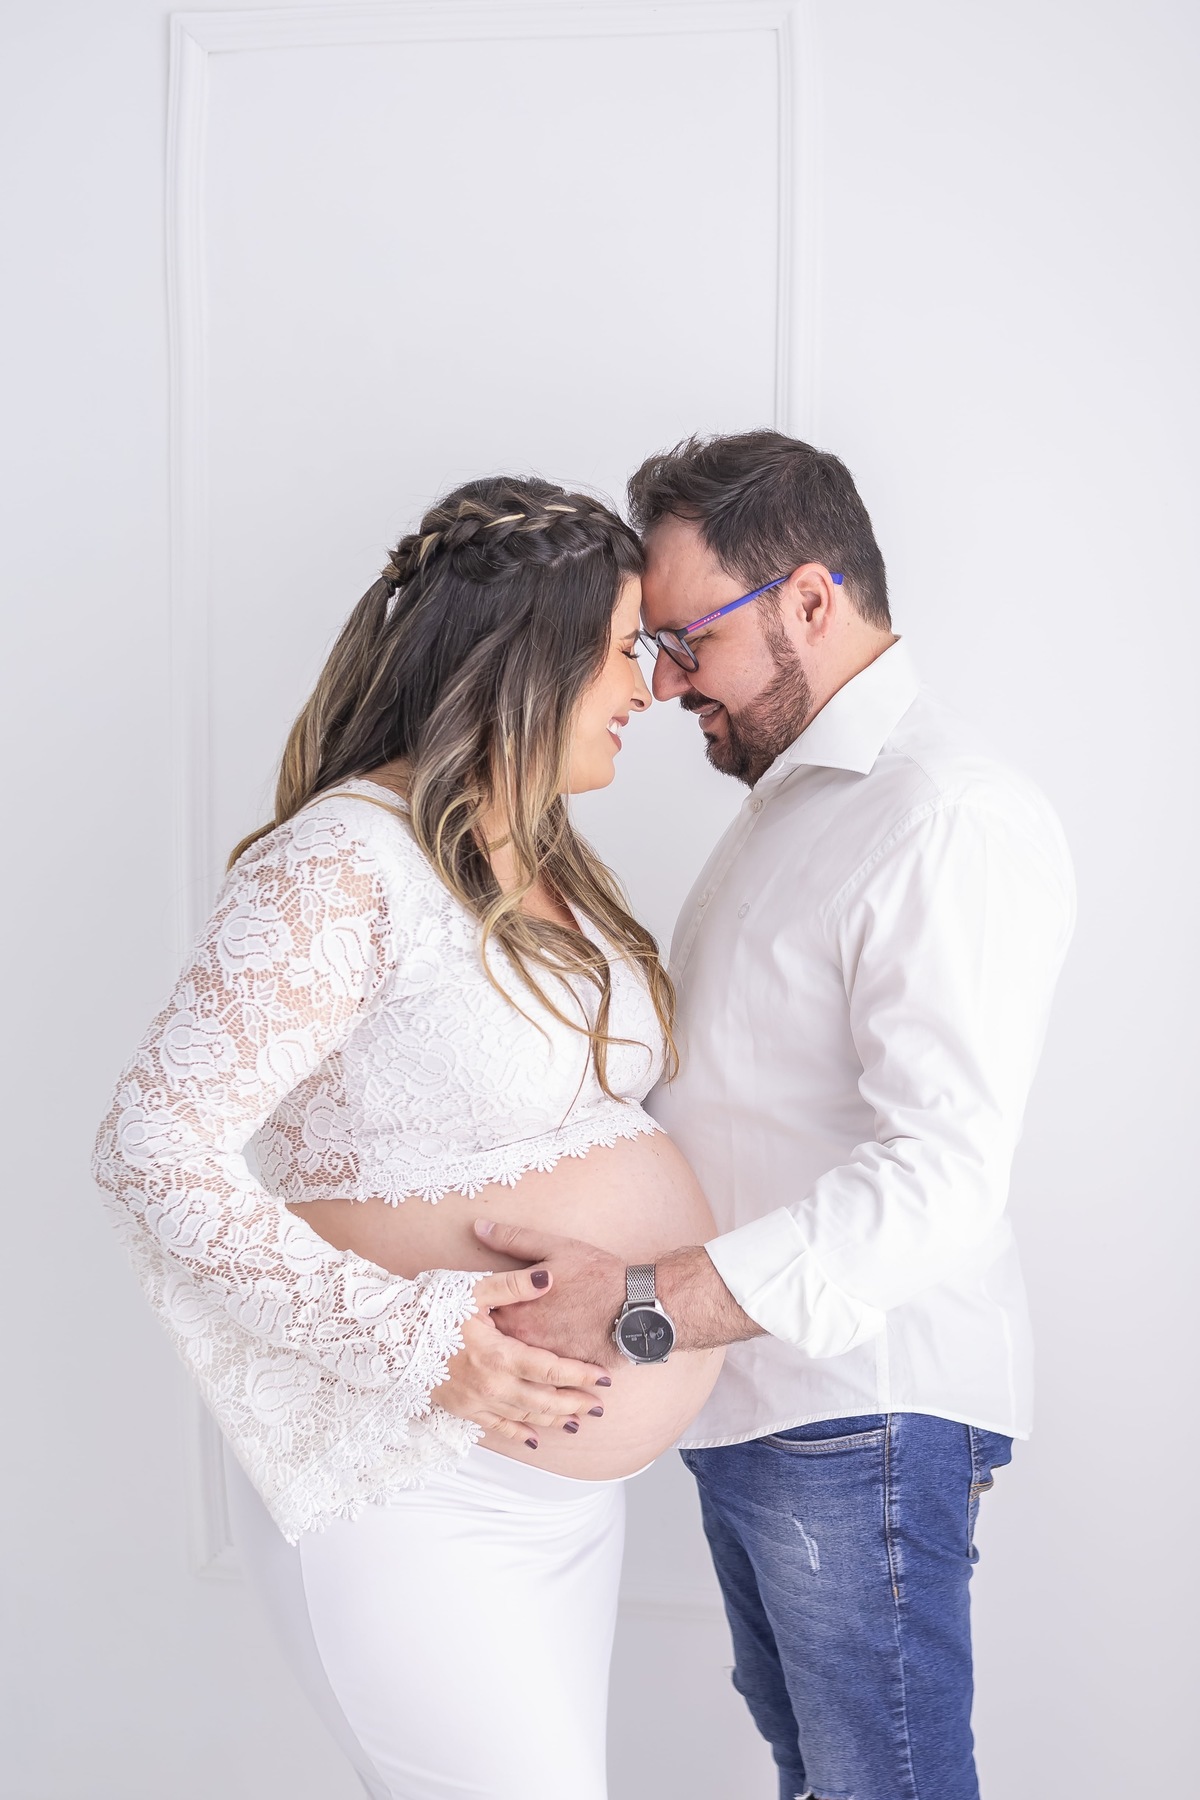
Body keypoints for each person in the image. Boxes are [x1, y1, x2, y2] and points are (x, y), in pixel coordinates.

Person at [92, 476, 725, 1800]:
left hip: (559, 1502)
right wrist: (417, 1340)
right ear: (532, 660)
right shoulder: (345, 863)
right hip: (415, 1484)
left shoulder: (555, 862)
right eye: (625, 649)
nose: (654, 685)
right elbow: (155, 1146)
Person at [479, 431, 1076, 1800]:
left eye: (689, 637)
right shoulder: (789, 808)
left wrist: (646, 1303)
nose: (667, 679)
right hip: (763, 1401)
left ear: (813, 599)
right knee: (822, 1777)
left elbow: (941, 1175)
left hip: (859, 1405)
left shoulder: (945, 818)